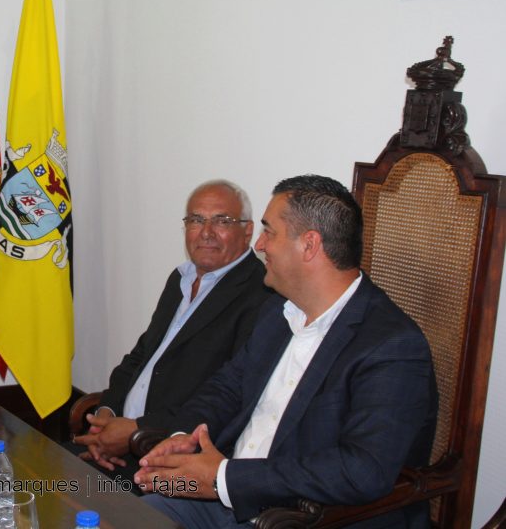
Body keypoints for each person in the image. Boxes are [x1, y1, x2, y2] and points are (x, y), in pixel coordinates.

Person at [135, 175, 438, 529]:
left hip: (304, 517)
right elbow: (227, 389)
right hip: (227, 499)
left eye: (269, 232)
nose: (260, 245)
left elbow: (362, 470)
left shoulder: (391, 345)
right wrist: (182, 438)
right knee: (125, 517)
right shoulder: (277, 312)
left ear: (309, 245)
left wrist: (225, 477)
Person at [71, 180, 271, 485]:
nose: (206, 232)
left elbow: (230, 396)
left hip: (166, 455)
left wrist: (136, 431)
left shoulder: (261, 294)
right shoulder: (180, 279)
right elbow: (141, 355)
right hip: (118, 441)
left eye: (222, 221)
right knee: (28, 478)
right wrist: (106, 417)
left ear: (247, 230)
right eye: (196, 220)